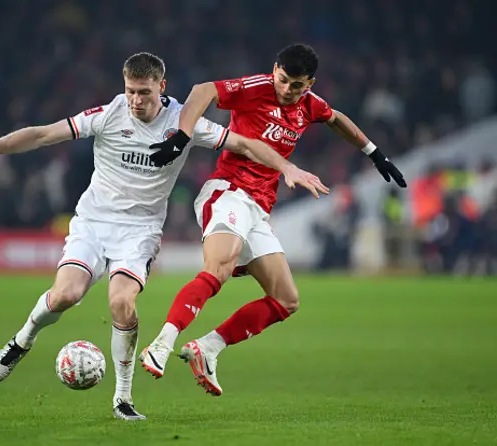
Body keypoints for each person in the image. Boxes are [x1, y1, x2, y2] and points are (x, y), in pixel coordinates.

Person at [0, 52, 326, 419]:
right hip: (94, 221)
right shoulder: (109, 114)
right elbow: (43, 135)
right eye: (130, 90)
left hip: (140, 231)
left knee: (123, 304)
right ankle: (21, 341)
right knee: (66, 294)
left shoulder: (183, 122)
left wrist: (287, 167)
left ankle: (122, 398)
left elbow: (244, 144)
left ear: (163, 87)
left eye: (144, 92)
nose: (136, 100)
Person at [140, 43, 406, 396]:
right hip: (228, 191)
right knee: (218, 269)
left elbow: (336, 118)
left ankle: (208, 349)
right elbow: (203, 91)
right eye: (282, 80)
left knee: (286, 299)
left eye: (296, 85)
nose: (286, 90)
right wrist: (182, 135)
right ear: (274, 70)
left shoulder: (309, 105)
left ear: (309, 83)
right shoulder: (255, 88)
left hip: (259, 209)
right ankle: (161, 342)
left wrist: (375, 154)